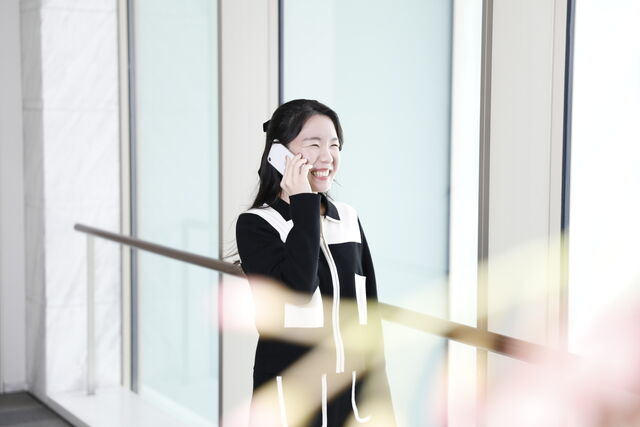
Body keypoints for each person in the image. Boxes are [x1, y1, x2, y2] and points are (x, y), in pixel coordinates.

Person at [235, 99, 395, 426]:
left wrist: (382, 399)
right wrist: (303, 202)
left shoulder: (347, 219)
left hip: (351, 397)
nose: (327, 156)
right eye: (313, 144)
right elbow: (298, 290)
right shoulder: (256, 225)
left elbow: (369, 313)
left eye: (334, 145)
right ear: (279, 154)